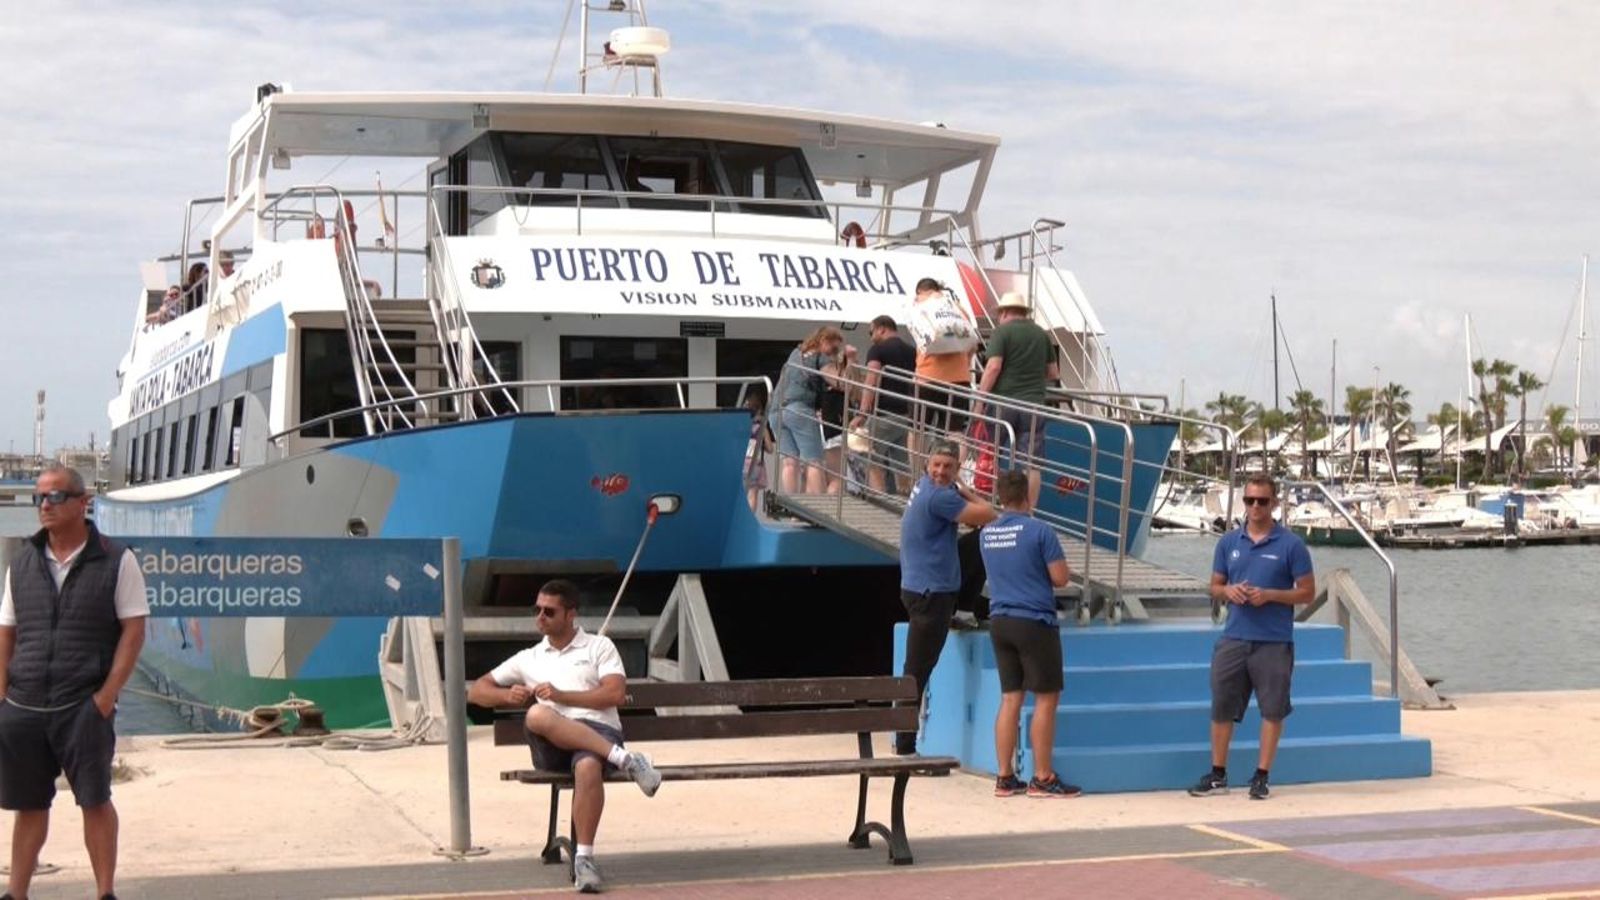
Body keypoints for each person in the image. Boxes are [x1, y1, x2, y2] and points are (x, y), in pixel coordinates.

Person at [0, 464, 148, 900]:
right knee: (28, 807)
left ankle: (104, 893)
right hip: (24, 707)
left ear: (83, 503)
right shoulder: (23, 561)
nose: (45, 505)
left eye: (55, 496)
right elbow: (6, 631)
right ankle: (17, 893)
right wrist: (2, 696)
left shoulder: (117, 560)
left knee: (95, 801)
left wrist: (104, 699)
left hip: (84, 706)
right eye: (39, 497)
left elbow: (134, 632)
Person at [467, 579, 661, 894]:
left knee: (587, 766)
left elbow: (614, 694)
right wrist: (507, 696)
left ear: (571, 614)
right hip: (553, 742)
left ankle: (584, 860)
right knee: (537, 714)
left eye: (549, 611)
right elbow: (477, 690)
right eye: (537, 609)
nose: (540, 617)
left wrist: (562, 695)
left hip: (598, 732)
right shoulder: (529, 657)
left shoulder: (599, 647)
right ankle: (625, 759)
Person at [1189, 474, 1315, 801]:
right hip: (1234, 637)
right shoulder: (1228, 543)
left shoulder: (1292, 545)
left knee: (1272, 709)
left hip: (1273, 641)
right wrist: (1229, 591)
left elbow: (1307, 593)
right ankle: (1218, 775)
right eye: (1249, 500)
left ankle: (1261, 776)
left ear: (1274, 503)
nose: (1255, 507)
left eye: (1262, 501)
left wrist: (1270, 595)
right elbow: (1213, 586)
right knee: (1221, 706)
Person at [979, 470, 1079, 798]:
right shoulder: (1040, 531)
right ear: (1028, 497)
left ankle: (1005, 776)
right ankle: (1042, 776)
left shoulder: (987, 533)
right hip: (1034, 621)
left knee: (1010, 698)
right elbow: (1061, 578)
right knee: (1046, 698)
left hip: (1000, 620)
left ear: (999, 496)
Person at [896, 441, 997, 755]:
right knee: (916, 672)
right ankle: (905, 748)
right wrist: (964, 489)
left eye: (947, 467)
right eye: (936, 465)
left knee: (982, 540)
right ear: (928, 463)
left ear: (955, 467)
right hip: (930, 594)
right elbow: (990, 513)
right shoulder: (940, 496)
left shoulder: (923, 485)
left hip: (922, 586)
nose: (940, 471)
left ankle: (963, 607)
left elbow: (977, 524)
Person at [973, 292, 1059, 509]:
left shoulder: (1002, 332)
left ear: (1003, 313)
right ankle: (1027, 512)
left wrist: (979, 401)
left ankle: (985, 505)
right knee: (1032, 464)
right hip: (1034, 406)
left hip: (1004, 403)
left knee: (990, 453)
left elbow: (993, 367)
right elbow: (1052, 373)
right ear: (1023, 312)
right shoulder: (1041, 335)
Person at [850, 315, 918, 496]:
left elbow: (871, 382)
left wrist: (862, 413)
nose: (871, 336)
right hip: (908, 414)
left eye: (871, 332)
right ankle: (904, 499)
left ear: (882, 329)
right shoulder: (913, 351)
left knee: (865, 450)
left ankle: (878, 496)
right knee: (901, 461)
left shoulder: (877, 350)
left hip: (885, 412)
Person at [909, 278, 976, 461]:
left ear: (920, 291)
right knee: (955, 432)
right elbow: (972, 344)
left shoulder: (920, 306)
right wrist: (965, 364)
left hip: (928, 378)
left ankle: (917, 475)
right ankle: (956, 476)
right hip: (960, 380)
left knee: (917, 430)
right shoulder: (956, 309)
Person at [772, 326, 844, 494]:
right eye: (834, 348)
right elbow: (837, 382)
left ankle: (792, 507)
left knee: (790, 462)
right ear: (824, 341)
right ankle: (820, 508)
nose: (834, 352)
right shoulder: (821, 357)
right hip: (799, 408)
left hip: (776, 410)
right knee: (814, 461)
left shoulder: (796, 353)